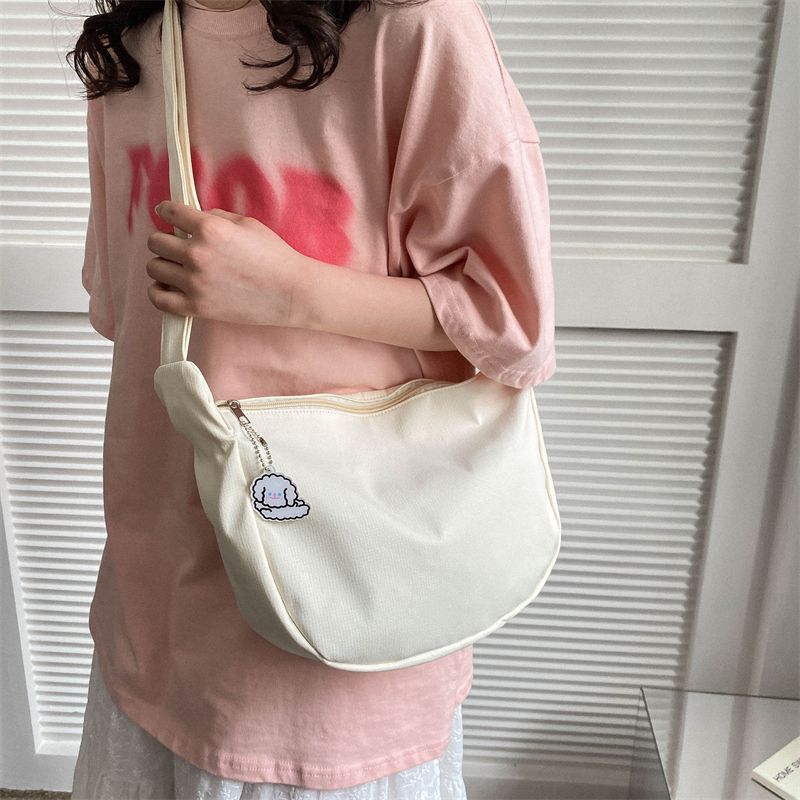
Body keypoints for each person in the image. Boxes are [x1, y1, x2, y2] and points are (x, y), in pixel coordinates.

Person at [68, 0, 557, 796]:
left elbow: (512, 324)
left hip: (342, 596)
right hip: (156, 589)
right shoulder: (127, 48)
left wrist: (294, 292)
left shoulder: (414, 26)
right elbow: (121, 312)